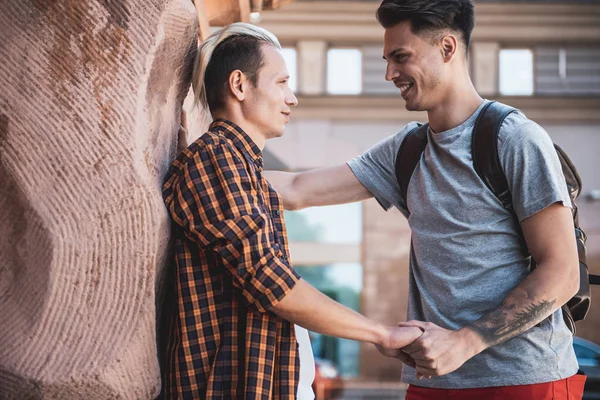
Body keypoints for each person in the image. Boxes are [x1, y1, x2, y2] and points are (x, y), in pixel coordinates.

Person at [265, 1, 586, 399]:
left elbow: (563, 273)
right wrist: (204, 165)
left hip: (524, 380)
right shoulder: (406, 149)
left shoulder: (515, 139)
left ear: (447, 48)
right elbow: (296, 189)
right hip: (432, 379)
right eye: (387, 59)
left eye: (400, 57)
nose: (389, 74)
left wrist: (464, 342)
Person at [159, 22, 422, 400]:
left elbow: (297, 191)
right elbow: (271, 282)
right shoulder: (216, 159)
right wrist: (380, 334)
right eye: (281, 83)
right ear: (239, 85)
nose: (292, 98)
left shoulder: (241, 168)